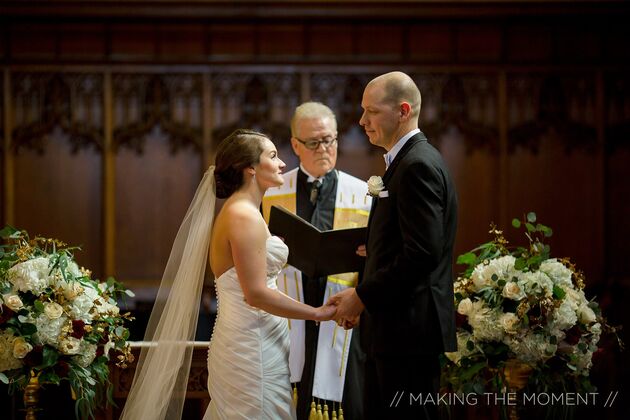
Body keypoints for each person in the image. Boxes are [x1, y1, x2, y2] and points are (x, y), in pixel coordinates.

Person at [121, 129, 337, 420]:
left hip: (255, 339)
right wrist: (317, 313)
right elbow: (256, 294)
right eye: (273, 156)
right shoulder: (243, 216)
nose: (282, 163)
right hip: (252, 346)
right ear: (251, 168)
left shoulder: (244, 212)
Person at [329, 71, 458, 419]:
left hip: (408, 335)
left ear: (403, 111)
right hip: (398, 330)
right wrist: (376, 246)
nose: (362, 121)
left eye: (371, 111)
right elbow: (410, 241)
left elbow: (423, 253)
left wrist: (362, 296)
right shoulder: (407, 161)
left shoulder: (417, 165)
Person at [262, 102, 371, 420]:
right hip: (287, 318)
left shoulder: (363, 194)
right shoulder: (271, 194)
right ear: (295, 145)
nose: (323, 148)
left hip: (343, 317)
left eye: (329, 140)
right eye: (313, 142)